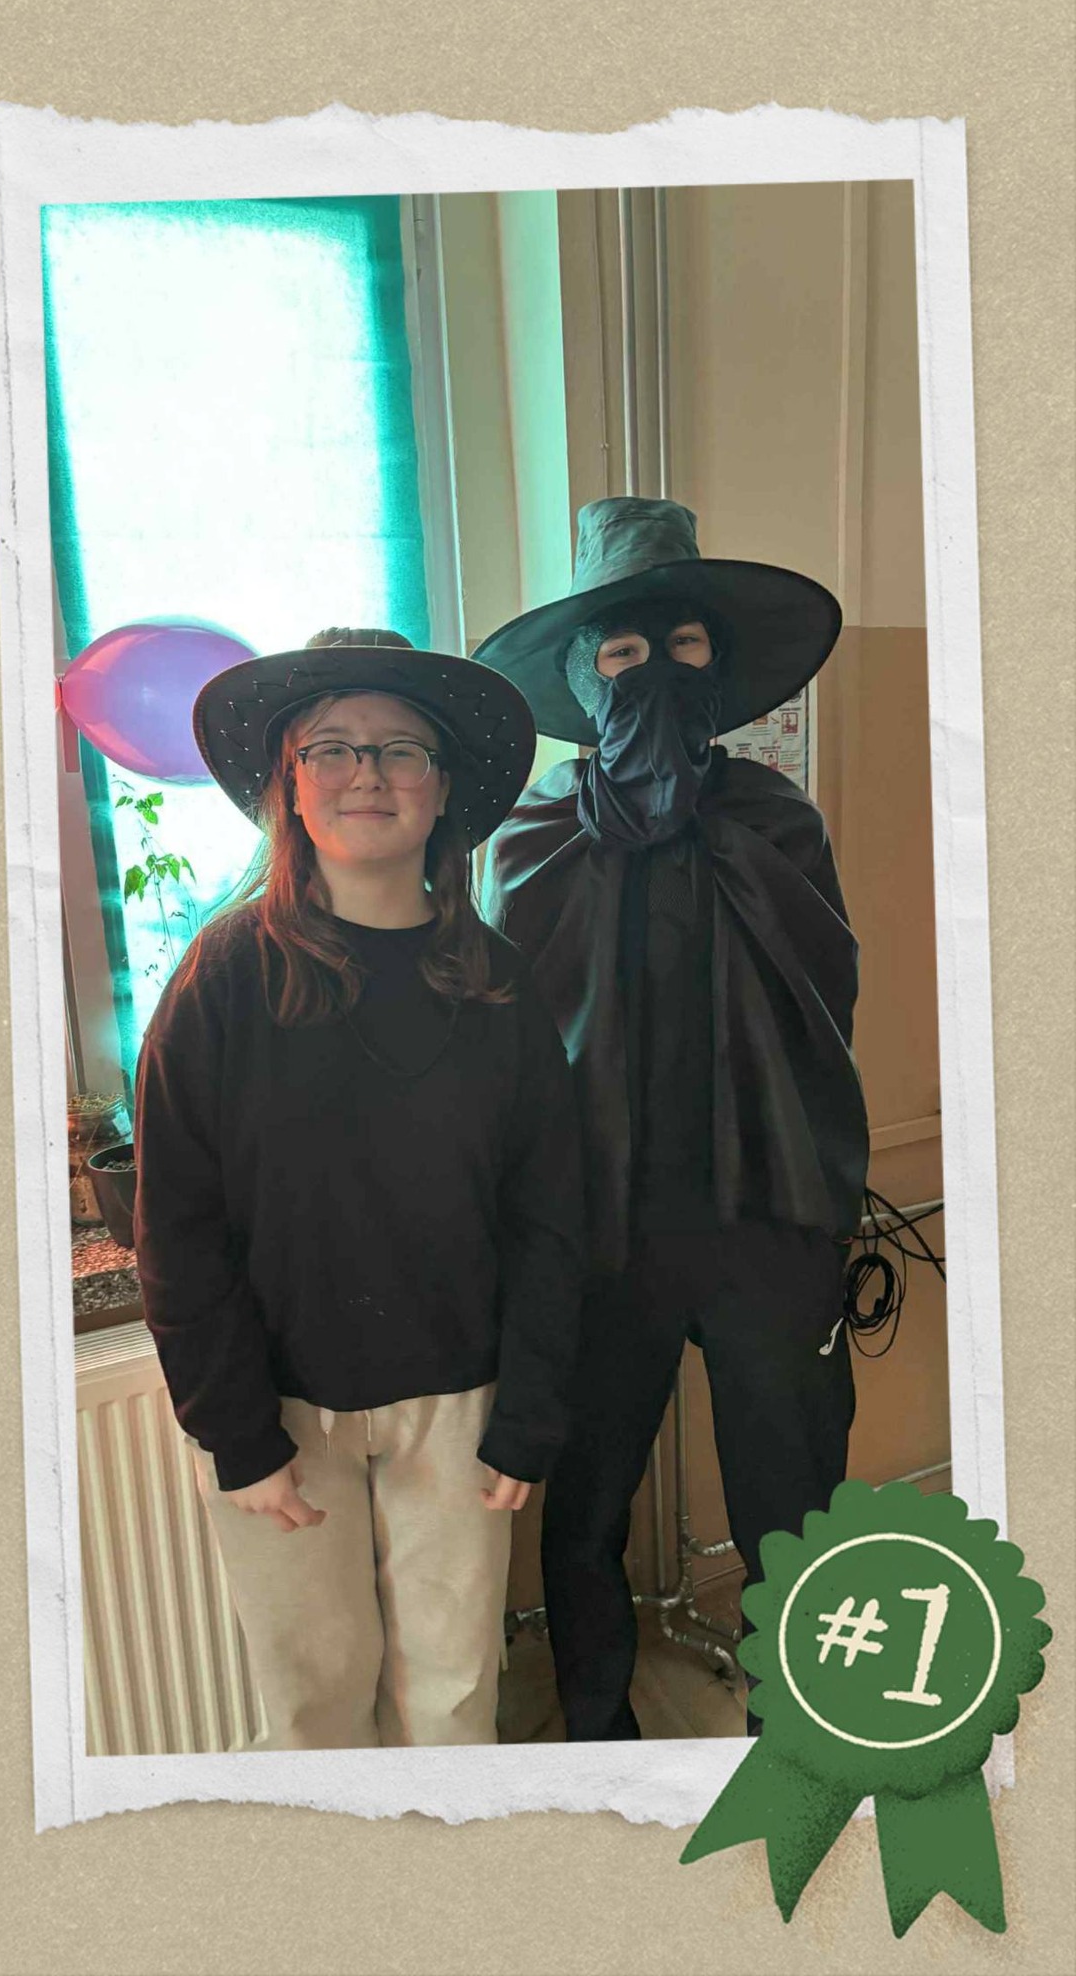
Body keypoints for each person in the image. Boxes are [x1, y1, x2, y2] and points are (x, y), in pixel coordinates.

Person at [133, 627, 585, 1751]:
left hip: (458, 1406)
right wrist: (238, 1432)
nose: (367, 773)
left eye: (400, 749)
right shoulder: (224, 976)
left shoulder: (499, 986)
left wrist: (529, 1413)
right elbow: (178, 1222)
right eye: (331, 747)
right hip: (283, 1410)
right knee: (316, 1706)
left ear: (444, 787)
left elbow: (549, 1213)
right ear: (290, 784)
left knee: (453, 1701)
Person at [474, 498, 870, 1741]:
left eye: (684, 645)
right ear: (583, 675)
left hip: (766, 1213)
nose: (655, 671)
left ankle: (805, 1725)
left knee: (795, 1503)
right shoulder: (534, 836)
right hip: (602, 1235)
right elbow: (510, 1051)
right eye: (623, 652)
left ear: (720, 666)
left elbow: (827, 1005)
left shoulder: (776, 822)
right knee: (586, 1498)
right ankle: (597, 1726)